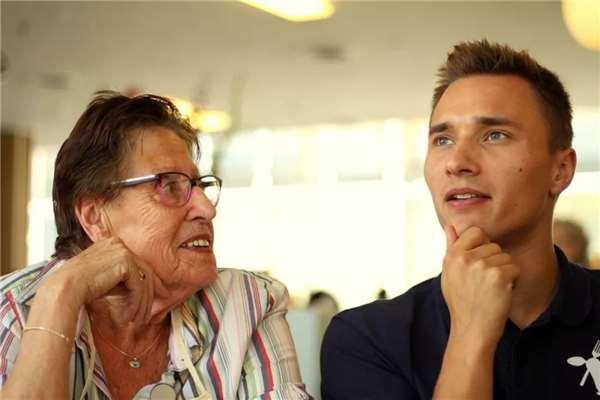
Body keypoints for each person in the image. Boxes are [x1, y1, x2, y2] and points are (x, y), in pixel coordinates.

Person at [321, 40, 600, 399]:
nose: (457, 162)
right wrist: (471, 335)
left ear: (560, 170)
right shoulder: (368, 338)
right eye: (443, 139)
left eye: (495, 135)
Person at [0, 92, 311, 400]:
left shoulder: (247, 304)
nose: (206, 209)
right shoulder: (10, 314)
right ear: (95, 217)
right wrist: (60, 296)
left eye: (199, 185)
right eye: (170, 185)